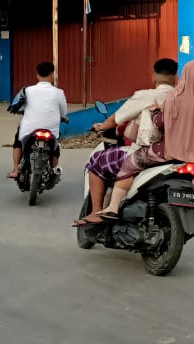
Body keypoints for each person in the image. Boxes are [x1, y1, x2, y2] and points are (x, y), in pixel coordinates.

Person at [92, 59, 194, 221]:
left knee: (129, 163)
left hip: (167, 151)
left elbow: (160, 122)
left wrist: (154, 112)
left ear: (184, 76)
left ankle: (113, 207)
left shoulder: (175, 98)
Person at [75, 58, 179, 224]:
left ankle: (96, 212)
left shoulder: (146, 96)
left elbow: (115, 119)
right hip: (180, 154)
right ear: (176, 77)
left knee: (97, 161)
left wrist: (102, 126)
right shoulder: (183, 98)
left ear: (153, 77)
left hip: (151, 151)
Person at [8, 61, 68, 179]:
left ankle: (15, 169)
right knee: (55, 147)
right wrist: (63, 118)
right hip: (51, 130)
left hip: (29, 129)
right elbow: (63, 112)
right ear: (52, 75)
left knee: (18, 142)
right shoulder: (59, 93)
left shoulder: (28, 90)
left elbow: (18, 107)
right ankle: (53, 169)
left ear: (37, 75)